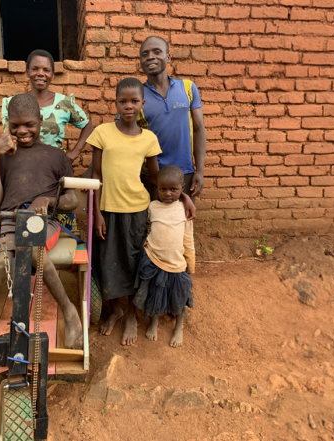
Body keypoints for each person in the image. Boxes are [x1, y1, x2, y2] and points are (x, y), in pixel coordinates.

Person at [0, 93, 83, 350]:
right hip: (9, 221)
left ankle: (69, 309)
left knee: (31, 250)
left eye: (29, 124)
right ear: (8, 123)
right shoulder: (4, 154)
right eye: (15, 125)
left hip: (44, 222)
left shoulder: (56, 156)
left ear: (40, 121)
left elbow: (72, 199)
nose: (22, 131)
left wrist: (47, 200)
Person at [89, 78, 195, 346]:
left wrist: (182, 196)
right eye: (122, 101)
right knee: (108, 263)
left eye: (134, 101)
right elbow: (96, 175)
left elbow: (156, 178)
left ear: (142, 104)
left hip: (137, 210)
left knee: (137, 264)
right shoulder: (102, 133)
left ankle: (132, 316)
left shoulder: (148, 138)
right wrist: (96, 212)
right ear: (115, 103)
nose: (128, 106)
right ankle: (115, 310)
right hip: (108, 210)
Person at [2, 49, 94, 230]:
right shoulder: (14, 103)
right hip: (24, 171)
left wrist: (74, 152)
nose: (40, 73)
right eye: (35, 68)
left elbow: (88, 126)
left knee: (56, 224)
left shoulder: (64, 103)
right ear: (27, 71)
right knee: (23, 228)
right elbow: (7, 135)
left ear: (52, 73)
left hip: (54, 171)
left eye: (46, 69)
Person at [138, 36, 207, 200]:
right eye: (145, 54)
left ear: (168, 57)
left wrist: (200, 171)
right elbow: (122, 135)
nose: (150, 57)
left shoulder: (188, 87)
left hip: (185, 174)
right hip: (153, 177)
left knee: (183, 222)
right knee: (155, 223)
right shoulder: (136, 95)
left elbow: (199, 130)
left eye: (157, 52)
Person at [134, 165, 195, 348]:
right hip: (154, 259)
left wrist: (191, 264)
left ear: (182, 189)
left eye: (173, 189)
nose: (168, 194)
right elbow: (147, 228)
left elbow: (188, 240)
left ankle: (179, 326)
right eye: (163, 189)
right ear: (157, 188)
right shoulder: (152, 206)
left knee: (178, 296)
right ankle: (154, 321)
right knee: (155, 293)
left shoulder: (184, 209)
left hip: (176, 263)